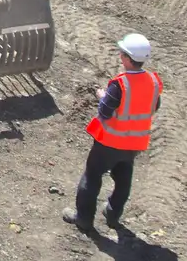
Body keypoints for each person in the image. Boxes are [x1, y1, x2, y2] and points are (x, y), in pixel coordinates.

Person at [63, 33, 163, 234]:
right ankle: (112, 213)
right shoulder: (153, 81)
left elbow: (105, 112)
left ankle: (83, 219)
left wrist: (102, 96)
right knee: (124, 178)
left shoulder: (120, 84)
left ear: (126, 58)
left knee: (92, 176)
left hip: (109, 142)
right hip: (135, 142)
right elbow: (154, 106)